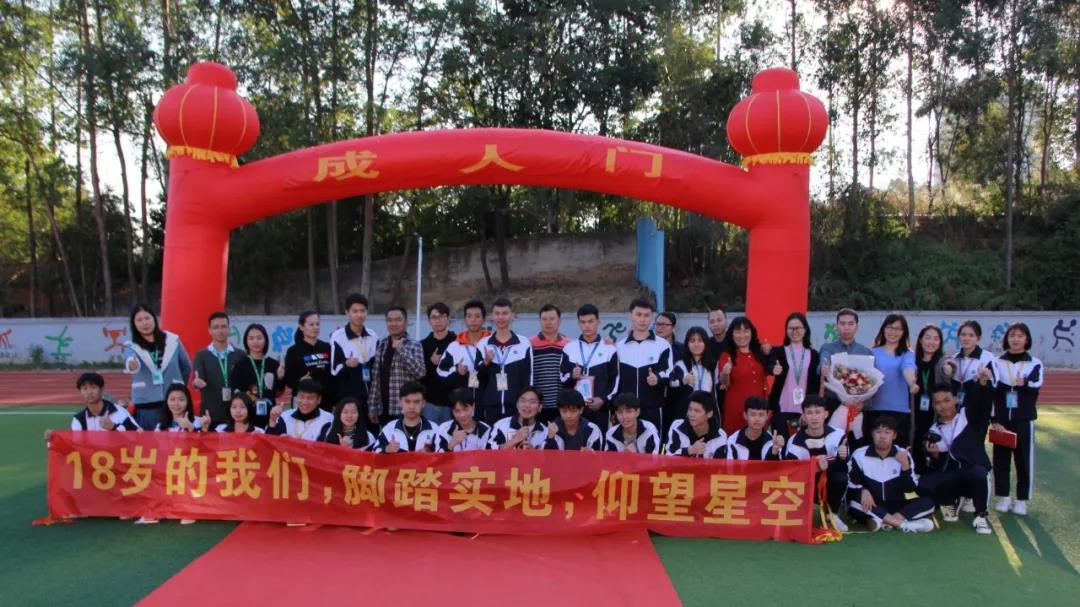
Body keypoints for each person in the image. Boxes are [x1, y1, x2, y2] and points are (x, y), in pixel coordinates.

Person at [917, 384, 994, 534]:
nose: (943, 406)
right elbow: (939, 467)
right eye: (938, 403)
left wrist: (983, 385)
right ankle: (950, 501)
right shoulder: (933, 431)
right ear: (933, 406)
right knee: (923, 484)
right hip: (953, 475)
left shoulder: (968, 416)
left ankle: (981, 516)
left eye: (946, 400)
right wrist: (935, 455)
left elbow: (983, 403)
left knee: (979, 473)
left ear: (955, 399)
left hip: (973, 471)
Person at [847, 415, 936, 533]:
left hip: (898, 505)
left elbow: (910, 490)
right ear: (872, 434)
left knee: (928, 502)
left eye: (887, 432)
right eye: (878, 432)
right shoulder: (859, 454)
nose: (882, 436)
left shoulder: (903, 454)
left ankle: (886, 521)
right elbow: (851, 483)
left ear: (894, 435)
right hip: (872, 504)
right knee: (855, 502)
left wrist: (905, 467)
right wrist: (863, 489)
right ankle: (902, 525)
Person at [991, 322, 1043, 516]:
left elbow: (1037, 384)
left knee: (1023, 460)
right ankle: (1003, 497)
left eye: (1020, 336)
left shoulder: (1034, 363)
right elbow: (992, 392)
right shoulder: (997, 362)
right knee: (1000, 460)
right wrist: (994, 419)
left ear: (1026, 339)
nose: (1015, 339)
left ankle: (1021, 500)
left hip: (1023, 420)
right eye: (1012, 335)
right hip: (1002, 421)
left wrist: (1025, 383)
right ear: (1007, 339)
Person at [782, 395, 850, 532]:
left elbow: (845, 468)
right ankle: (799, 514)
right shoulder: (794, 441)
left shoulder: (838, 435)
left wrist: (843, 457)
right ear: (803, 416)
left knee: (841, 478)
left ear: (826, 414)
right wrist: (815, 466)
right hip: (805, 486)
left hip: (830, 484)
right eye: (809, 413)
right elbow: (790, 471)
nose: (814, 417)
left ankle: (832, 515)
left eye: (818, 412)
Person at [122, 303, 193, 430]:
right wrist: (132, 364)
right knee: (149, 441)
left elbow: (186, 366)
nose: (144, 323)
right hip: (146, 407)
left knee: (174, 440)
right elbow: (130, 363)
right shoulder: (131, 346)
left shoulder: (172, 340)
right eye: (139, 320)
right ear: (134, 324)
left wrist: (178, 386)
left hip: (172, 406)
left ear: (154, 319)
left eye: (147, 318)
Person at [612, 298, 673, 431]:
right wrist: (613, 409)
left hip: (652, 409)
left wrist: (657, 378)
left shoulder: (663, 345)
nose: (642, 319)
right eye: (638, 314)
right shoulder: (619, 347)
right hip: (625, 412)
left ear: (652, 318)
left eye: (646, 315)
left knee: (652, 444)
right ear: (630, 316)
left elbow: (669, 373)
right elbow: (614, 381)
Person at [560, 304, 619, 434]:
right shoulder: (569, 348)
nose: (587, 326)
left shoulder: (609, 349)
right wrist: (572, 376)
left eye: (590, 321)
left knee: (599, 443)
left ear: (598, 322)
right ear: (578, 323)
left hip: (599, 409)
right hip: (574, 410)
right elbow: (562, 377)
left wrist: (603, 400)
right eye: (583, 322)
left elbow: (615, 380)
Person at [474, 298, 533, 425]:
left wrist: (527, 404)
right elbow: (476, 379)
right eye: (497, 313)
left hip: (517, 408)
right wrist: (486, 363)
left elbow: (529, 377)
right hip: (490, 408)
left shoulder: (524, 344)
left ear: (512, 316)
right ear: (492, 316)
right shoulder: (483, 344)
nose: (501, 317)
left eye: (505, 313)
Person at [368, 306, 426, 427]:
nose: (393, 323)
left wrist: (401, 349)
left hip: (405, 410)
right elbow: (376, 378)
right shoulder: (383, 344)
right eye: (390, 320)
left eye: (398, 320)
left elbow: (420, 372)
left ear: (406, 322)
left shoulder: (414, 345)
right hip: (383, 409)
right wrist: (372, 406)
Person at [866, 314, 918, 447]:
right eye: (889, 327)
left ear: (903, 332)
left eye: (897, 329)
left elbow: (907, 368)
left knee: (898, 452)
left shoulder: (907, 354)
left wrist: (912, 383)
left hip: (899, 413)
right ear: (883, 329)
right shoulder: (872, 353)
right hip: (875, 411)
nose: (893, 332)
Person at [767, 312, 821, 436]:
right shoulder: (778, 352)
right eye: (791, 328)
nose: (794, 331)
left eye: (798, 328)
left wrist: (811, 408)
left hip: (805, 411)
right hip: (782, 407)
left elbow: (816, 384)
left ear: (805, 329)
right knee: (781, 442)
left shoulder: (814, 355)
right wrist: (773, 369)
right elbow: (769, 365)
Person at [44, 372, 139, 442]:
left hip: (119, 460)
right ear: (80, 392)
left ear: (101, 389)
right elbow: (73, 445)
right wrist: (54, 438)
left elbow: (138, 436)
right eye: (85, 388)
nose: (89, 392)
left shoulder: (119, 412)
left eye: (93, 387)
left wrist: (113, 427)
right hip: (93, 462)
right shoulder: (79, 419)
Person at [192, 311, 246, 427]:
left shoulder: (240, 355)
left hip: (236, 416)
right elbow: (198, 379)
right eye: (216, 327)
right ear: (209, 330)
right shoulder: (201, 355)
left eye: (223, 327)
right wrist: (197, 383)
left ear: (229, 329)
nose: (220, 331)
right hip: (210, 416)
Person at [912, 325, 954, 473]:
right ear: (920, 340)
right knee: (915, 447)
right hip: (913, 414)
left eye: (936, 339)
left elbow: (950, 366)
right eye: (928, 338)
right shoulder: (912, 361)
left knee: (932, 451)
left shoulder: (942, 361)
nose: (931, 342)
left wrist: (950, 369)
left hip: (934, 415)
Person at [717, 316, 769, 435]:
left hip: (759, 409)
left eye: (746, 331)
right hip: (737, 408)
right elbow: (724, 383)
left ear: (752, 332)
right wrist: (725, 373)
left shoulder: (759, 352)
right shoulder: (727, 355)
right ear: (732, 334)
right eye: (737, 331)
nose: (742, 335)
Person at [329, 293, 379, 413]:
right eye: (355, 311)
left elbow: (378, 367)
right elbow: (334, 370)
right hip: (348, 399)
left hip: (371, 398)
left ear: (367, 312)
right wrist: (346, 364)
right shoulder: (338, 337)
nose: (359, 315)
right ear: (347, 313)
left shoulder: (373, 336)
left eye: (362, 311)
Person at [819, 308, 873, 414]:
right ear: (837, 326)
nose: (846, 327)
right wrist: (824, 367)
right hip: (833, 403)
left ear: (857, 327)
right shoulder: (828, 348)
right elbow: (824, 360)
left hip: (858, 405)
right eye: (842, 323)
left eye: (850, 324)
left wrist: (863, 404)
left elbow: (871, 381)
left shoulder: (866, 352)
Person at [229, 323, 283, 428]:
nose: (255, 342)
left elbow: (279, 391)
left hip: (270, 417)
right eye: (251, 338)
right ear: (246, 341)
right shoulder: (240, 365)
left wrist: (280, 377)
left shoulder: (273, 364)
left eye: (259, 338)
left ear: (265, 340)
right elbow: (235, 391)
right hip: (247, 419)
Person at [437, 299, 491, 402]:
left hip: (488, 402)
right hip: (463, 404)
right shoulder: (454, 346)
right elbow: (441, 373)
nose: (473, 320)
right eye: (469, 316)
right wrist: (457, 370)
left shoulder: (492, 345)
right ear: (465, 320)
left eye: (477, 316)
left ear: (484, 320)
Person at [669, 326, 717, 436]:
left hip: (707, 415)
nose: (696, 344)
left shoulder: (712, 365)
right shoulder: (680, 365)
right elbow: (671, 384)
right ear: (687, 344)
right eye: (692, 341)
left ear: (706, 343)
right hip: (686, 415)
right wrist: (683, 381)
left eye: (700, 340)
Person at [282, 311, 334, 410]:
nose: (315, 327)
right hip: (303, 401)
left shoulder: (327, 347)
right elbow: (288, 379)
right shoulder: (293, 351)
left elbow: (333, 375)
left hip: (325, 401)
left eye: (317, 324)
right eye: (311, 324)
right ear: (301, 327)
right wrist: (300, 380)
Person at [530, 304, 571, 422]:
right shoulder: (530, 343)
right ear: (539, 321)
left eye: (552, 319)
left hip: (562, 404)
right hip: (538, 404)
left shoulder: (569, 344)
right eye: (544, 319)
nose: (548, 322)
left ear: (559, 320)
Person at [420, 302, 456, 425]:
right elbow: (419, 375)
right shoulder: (423, 344)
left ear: (448, 318)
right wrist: (430, 362)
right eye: (434, 317)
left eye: (441, 316)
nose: (438, 321)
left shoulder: (457, 342)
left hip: (453, 403)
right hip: (430, 403)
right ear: (429, 320)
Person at [376, 381, 438, 453]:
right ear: (400, 402)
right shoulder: (389, 429)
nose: (411, 406)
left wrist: (431, 452)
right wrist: (387, 449)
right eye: (407, 401)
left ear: (423, 403)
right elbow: (375, 452)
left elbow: (443, 453)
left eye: (416, 402)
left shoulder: (435, 429)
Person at [266, 378, 334, 441]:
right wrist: (272, 421)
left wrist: (294, 443)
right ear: (296, 397)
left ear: (319, 399)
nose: (305, 402)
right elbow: (269, 443)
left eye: (310, 398)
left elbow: (326, 446)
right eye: (301, 396)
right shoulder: (285, 417)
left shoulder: (328, 419)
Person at [665, 391, 727, 459]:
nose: (691, 414)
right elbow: (668, 457)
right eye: (690, 409)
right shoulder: (677, 426)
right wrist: (689, 451)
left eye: (697, 411)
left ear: (709, 414)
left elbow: (720, 464)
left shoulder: (720, 436)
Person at [727, 396, 784, 461]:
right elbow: (729, 466)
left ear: (767, 416)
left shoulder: (772, 441)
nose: (757, 419)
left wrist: (774, 452)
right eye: (753, 414)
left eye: (761, 415)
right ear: (745, 415)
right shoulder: (732, 440)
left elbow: (774, 467)